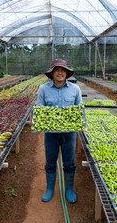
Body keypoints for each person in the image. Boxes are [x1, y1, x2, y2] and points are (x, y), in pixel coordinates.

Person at [37, 58, 85, 204]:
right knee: (50, 162)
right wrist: (39, 122)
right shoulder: (43, 89)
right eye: (57, 70)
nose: (60, 73)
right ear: (52, 73)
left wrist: (83, 125)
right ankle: (49, 189)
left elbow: (79, 110)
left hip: (69, 134)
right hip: (50, 134)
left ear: (66, 73)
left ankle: (69, 189)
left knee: (69, 162)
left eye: (62, 70)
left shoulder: (75, 89)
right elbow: (40, 110)